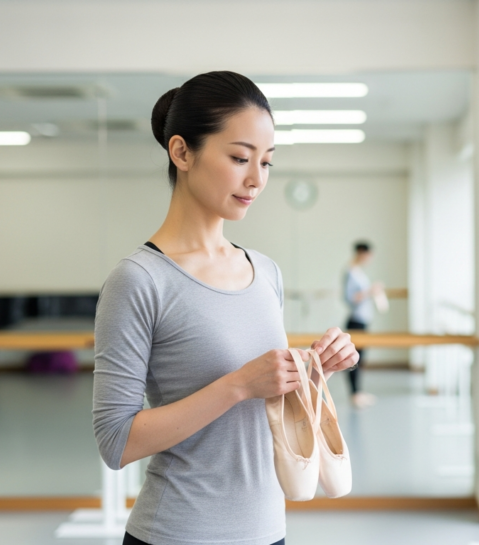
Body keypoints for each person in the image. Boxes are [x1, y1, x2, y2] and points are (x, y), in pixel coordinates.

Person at [92, 71, 359, 545]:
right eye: (239, 158)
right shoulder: (138, 280)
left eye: (267, 162)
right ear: (182, 152)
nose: (256, 180)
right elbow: (116, 441)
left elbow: (265, 403)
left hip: (267, 531)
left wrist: (314, 373)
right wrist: (237, 386)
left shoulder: (266, 272)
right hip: (178, 533)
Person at [343, 241, 383, 408]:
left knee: (360, 358)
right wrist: (370, 291)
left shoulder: (358, 272)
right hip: (356, 321)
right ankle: (354, 394)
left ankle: (358, 392)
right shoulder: (351, 272)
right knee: (353, 359)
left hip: (363, 321)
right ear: (361, 253)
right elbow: (351, 298)